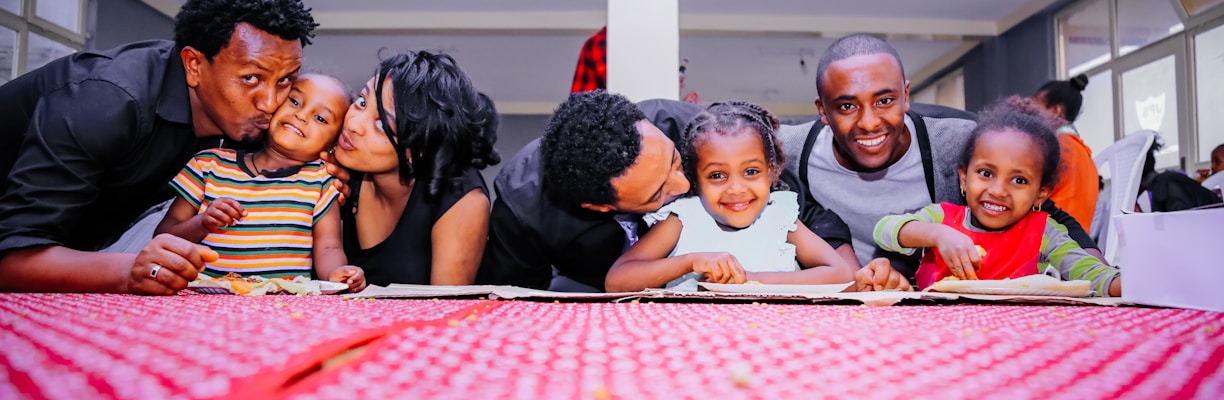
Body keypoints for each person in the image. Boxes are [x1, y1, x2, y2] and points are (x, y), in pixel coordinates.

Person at [0, 0, 318, 294]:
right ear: (194, 65)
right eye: (251, 78)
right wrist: (128, 271)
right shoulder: (106, 101)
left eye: (286, 79)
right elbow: (11, 259)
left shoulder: (241, 113)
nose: (271, 102)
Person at [477, 91, 901, 293]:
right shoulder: (525, 207)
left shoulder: (696, 132)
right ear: (600, 206)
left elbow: (801, 211)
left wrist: (853, 279)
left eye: (676, 166)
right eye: (657, 193)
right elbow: (517, 300)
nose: (686, 188)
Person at [777, 33, 1101, 281]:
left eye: (885, 100)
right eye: (847, 106)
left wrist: (1100, 272)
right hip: (839, 300)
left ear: (906, 95)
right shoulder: (787, 150)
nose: (869, 122)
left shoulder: (956, 140)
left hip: (930, 301)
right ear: (822, 111)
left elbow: (1047, 214)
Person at [606, 101, 903, 292]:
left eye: (750, 172)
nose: (736, 189)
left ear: (771, 172)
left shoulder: (779, 218)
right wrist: (689, 262)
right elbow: (617, 280)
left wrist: (750, 280)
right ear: (695, 180)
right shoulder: (684, 219)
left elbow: (840, 274)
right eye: (717, 176)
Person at [874, 98, 1121, 296]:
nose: (999, 190)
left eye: (1019, 180)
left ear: (1041, 193)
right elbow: (885, 230)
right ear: (963, 177)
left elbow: (1094, 276)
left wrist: (1130, 282)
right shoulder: (943, 218)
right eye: (986, 173)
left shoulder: (1044, 232)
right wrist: (938, 234)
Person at [154, 73, 364, 292]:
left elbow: (328, 247)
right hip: (201, 298)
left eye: (320, 118)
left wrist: (338, 274)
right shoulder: (208, 165)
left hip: (282, 303)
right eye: (294, 101)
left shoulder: (321, 180)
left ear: (333, 143)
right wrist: (203, 223)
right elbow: (163, 236)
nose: (301, 115)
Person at [332, 51, 499, 287]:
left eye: (381, 124)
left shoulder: (461, 198)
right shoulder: (340, 166)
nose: (353, 123)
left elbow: (446, 311)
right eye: (361, 102)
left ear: (418, 149)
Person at [1032, 74, 1099, 228]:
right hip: (1076, 246)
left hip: (1047, 244)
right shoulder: (1084, 153)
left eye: (1036, 106)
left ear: (1056, 110)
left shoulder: (1054, 148)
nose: (1030, 112)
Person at [1138, 138, 1221, 212]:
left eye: (1217, 162)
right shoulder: (1167, 181)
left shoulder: (1164, 184)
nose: (1212, 166)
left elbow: (1180, 223)